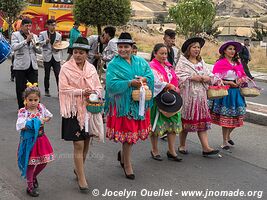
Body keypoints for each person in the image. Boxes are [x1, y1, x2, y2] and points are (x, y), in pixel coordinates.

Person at [105, 32, 154, 180]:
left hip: (138, 103)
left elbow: (151, 76)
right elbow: (110, 85)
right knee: (128, 136)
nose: (123, 50)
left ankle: (123, 157)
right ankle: (128, 165)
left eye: (126, 46)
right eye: (120, 47)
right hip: (122, 106)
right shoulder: (113, 64)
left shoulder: (140, 62)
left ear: (132, 48)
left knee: (130, 136)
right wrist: (128, 83)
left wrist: (144, 78)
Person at [59, 37, 102, 192]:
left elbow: (98, 87)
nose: (78, 55)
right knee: (78, 143)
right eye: (75, 52)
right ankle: (82, 178)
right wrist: (82, 91)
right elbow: (63, 89)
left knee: (86, 141)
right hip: (73, 110)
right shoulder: (65, 68)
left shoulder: (91, 69)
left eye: (81, 52)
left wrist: (95, 93)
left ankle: (79, 169)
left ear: (86, 54)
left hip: (89, 110)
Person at [175, 37, 219, 157]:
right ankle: (182, 145)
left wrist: (208, 78)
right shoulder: (182, 62)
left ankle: (206, 148)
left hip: (201, 97)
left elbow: (210, 74)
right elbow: (178, 76)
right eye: (194, 47)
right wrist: (190, 77)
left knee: (202, 122)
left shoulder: (202, 62)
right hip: (188, 97)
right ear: (188, 49)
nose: (197, 49)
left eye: (198, 47)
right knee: (185, 123)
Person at [16, 83, 54, 197]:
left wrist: (44, 119)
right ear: (25, 100)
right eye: (30, 100)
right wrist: (33, 123)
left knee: (44, 161)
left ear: (39, 99)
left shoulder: (41, 108)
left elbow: (49, 116)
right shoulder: (23, 111)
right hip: (29, 141)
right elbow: (20, 125)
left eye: (35, 100)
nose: (33, 102)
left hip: (41, 139)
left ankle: (32, 177)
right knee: (31, 164)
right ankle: (30, 186)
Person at [209, 41, 247, 151]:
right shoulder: (220, 63)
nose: (232, 51)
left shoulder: (237, 63)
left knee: (239, 115)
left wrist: (241, 80)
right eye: (230, 49)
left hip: (236, 93)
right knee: (226, 117)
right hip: (226, 92)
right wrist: (229, 83)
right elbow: (215, 79)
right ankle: (224, 141)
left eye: (234, 49)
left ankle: (228, 136)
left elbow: (243, 75)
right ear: (224, 51)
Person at [149, 43, 182, 162]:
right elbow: (154, 82)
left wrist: (175, 87)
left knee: (173, 124)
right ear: (155, 53)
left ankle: (171, 150)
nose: (164, 56)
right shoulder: (151, 67)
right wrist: (167, 85)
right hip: (158, 98)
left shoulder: (169, 66)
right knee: (156, 124)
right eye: (161, 53)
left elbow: (174, 80)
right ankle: (154, 149)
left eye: (166, 54)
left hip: (171, 98)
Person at [11, 18, 40, 109]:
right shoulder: (15, 35)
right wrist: (26, 41)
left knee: (34, 87)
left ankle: (34, 107)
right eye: (26, 26)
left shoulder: (34, 36)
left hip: (32, 65)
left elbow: (39, 50)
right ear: (22, 26)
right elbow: (14, 47)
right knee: (20, 88)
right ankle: (22, 108)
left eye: (30, 26)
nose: (28, 28)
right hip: (20, 65)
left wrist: (35, 45)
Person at [39, 19, 62, 97]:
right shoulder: (42, 34)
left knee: (58, 74)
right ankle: (46, 90)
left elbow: (60, 46)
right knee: (47, 74)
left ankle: (60, 91)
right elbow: (38, 43)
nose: (53, 26)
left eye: (54, 25)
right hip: (47, 56)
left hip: (56, 57)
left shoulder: (59, 35)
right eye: (52, 25)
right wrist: (45, 42)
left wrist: (58, 48)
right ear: (47, 25)